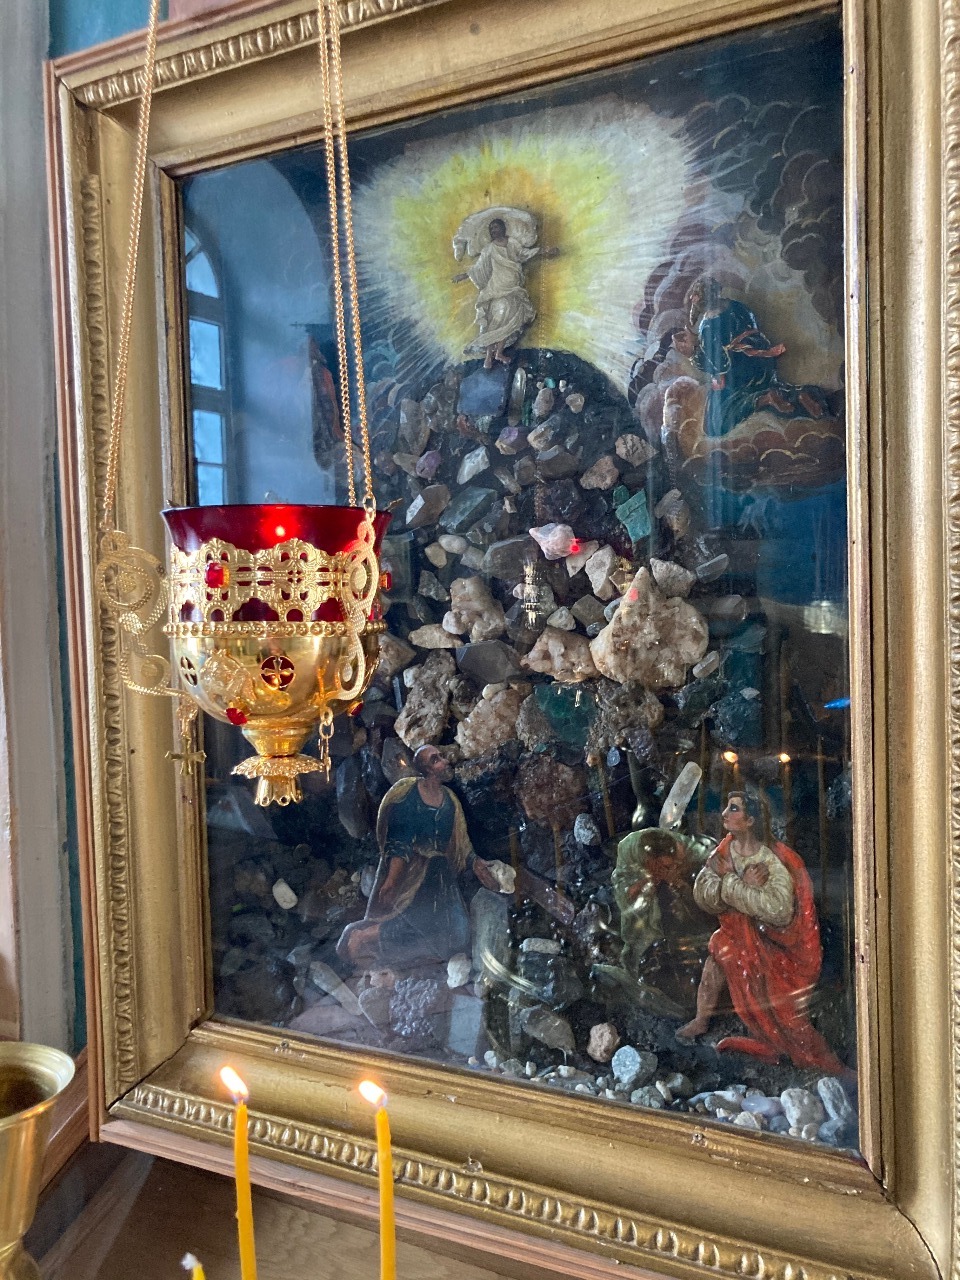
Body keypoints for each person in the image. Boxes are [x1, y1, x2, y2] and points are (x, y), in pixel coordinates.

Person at [676, 790, 847, 1073]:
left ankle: (802, 1052)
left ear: (751, 820)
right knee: (719, 948)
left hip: (778, 946)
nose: (724, 814)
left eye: (734, 809)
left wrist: (730, 885)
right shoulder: (725, 849)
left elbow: (778, 911)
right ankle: (702, 1019)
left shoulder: (774, 861)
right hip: (740, 938)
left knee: (775, 1000)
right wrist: (739, 884)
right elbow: (703, 892)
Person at [337, 744, 499, 971]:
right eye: (436, 759)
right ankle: (364, 935)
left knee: (457, 934)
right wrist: (392, 879)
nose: (444, 762)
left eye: (441, 757)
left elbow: (460, 842)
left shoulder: (450, 800)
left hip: (441, 874)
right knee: (420, 922)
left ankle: (394, 949)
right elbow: (399, 841)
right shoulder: (409, 796)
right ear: (426, 769)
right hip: (416, 873)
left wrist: (475, 862)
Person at [453, 214, 556, 369]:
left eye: (495, 227)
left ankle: (499, 353)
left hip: (513, 289)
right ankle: (489, 356)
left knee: (509, 321)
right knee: (495, 322)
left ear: (503, 228)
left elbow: (525, 254)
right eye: (491, 229)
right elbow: (478, 268)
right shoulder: (489, 249)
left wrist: (545, 251)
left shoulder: (513, 244)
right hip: (497, 290)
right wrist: (463, 276)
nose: (493, 230)